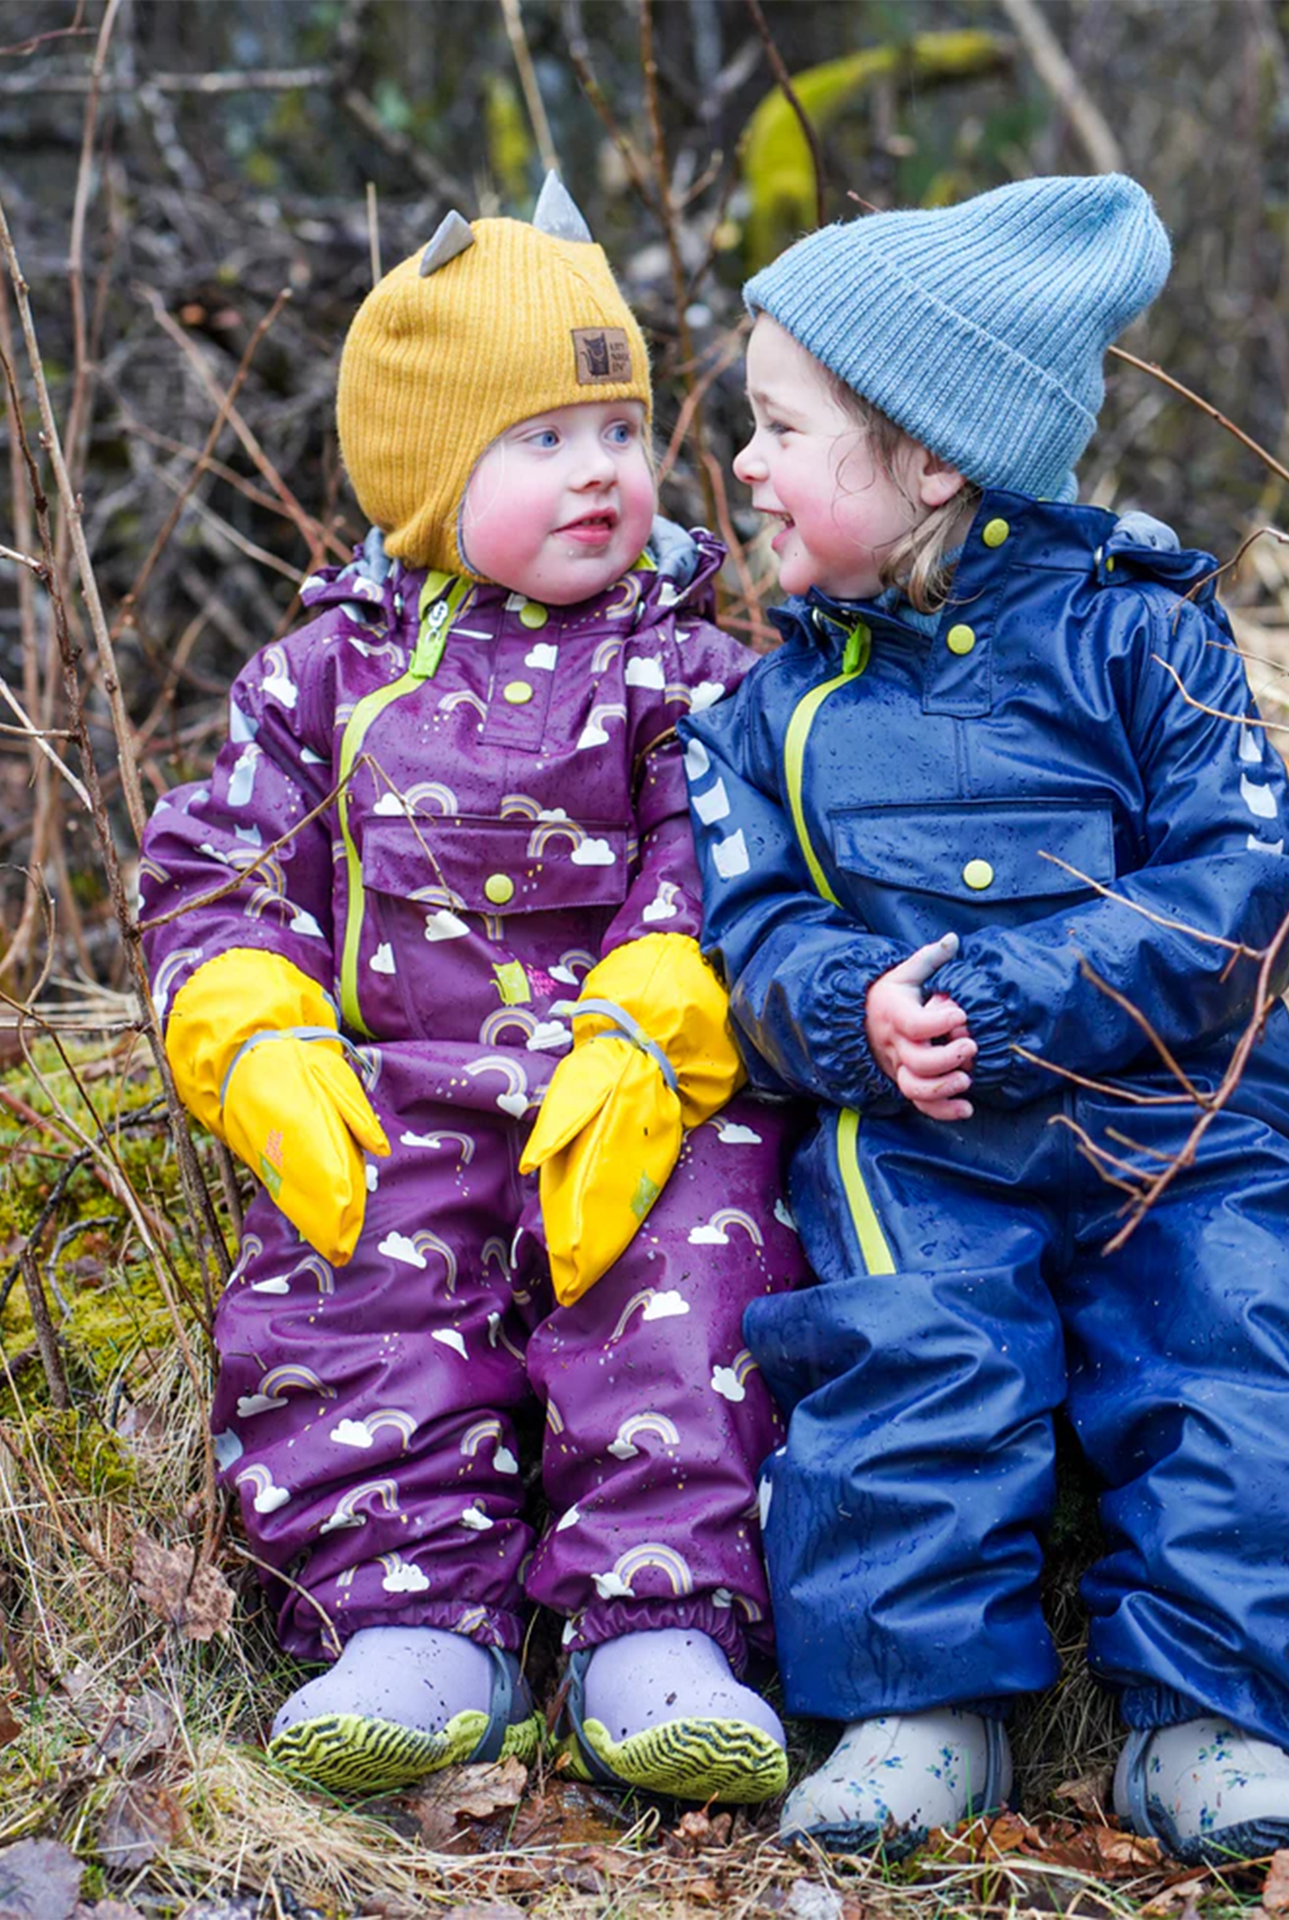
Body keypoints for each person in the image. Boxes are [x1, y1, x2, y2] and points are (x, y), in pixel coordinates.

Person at [680, 173, 1289, 1865]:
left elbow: (1250, 875)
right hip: (927, 1138)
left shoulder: (1147, 638)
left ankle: (1222, 1724)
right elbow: (748, 929)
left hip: (1185, 1115)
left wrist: (1030, 990)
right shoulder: (770, 712)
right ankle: (918, 1708)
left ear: (932, 457)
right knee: (901, 1342)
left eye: (782, 425)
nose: (741, 462)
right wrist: (842, 1003)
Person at [139, 179, 809, 1804]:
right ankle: (410, 1625)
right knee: (346, 1270)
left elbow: (716, 852)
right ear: (430, 480)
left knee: (700, 1269)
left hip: (630, 1091)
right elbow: (225, 866)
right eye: (541, 439)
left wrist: (657, 1020)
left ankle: (659, 1630)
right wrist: (257, 1031)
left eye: (621, 427)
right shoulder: (323, 679)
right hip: (407, 1083)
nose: (601, 470)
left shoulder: (693, 667)